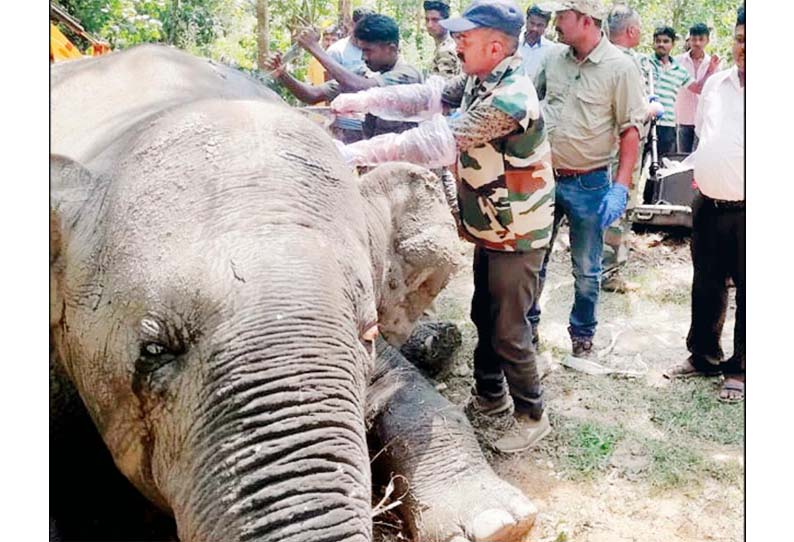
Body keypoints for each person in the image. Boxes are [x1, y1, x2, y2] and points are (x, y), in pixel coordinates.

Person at [331, 0, 556, 453]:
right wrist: (367, 98)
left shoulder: (511, 96)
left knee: (510, 329)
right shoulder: (480, 78)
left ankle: (532, 415)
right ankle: (491, 396)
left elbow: (438, 140)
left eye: (465, 38)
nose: (455, 44)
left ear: (495, 46)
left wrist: (355, 153)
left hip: (518, 231)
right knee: (484, 313)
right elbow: (427, 97)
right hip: (493, 224)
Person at [528, 0, 646, 358]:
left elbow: (630, 130)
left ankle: (582, 333)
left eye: (561, 17)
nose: (554, 24)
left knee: (586, 267)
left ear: (584, 20)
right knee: (533, 260)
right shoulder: (552, 59)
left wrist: (621, 187)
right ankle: (526, 329)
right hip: (543, 178)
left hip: (590, 183)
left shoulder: (620, 68)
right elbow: (533, 106)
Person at [664, 5, 745, 403]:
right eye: (742, 39)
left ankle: (742, 368)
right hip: (708, 202)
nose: (746, 49)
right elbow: (705, 136)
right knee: (707, 283)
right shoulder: (717, 83)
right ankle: (704, 355)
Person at [263, 14, 423, 140]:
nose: (364, 57)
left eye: (368, 51)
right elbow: (312, 95)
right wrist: (283, 74)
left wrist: (315, 48)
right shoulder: (365, 73)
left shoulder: (407, 76)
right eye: (362, 51)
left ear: (391, 48)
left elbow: (360, 87)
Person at [601, 3, 652, 294]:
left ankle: (595, 267)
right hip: (623, 153)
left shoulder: (599, 58)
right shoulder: (627, 62)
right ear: (631, 31)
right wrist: (651, 108)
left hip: (602, 152)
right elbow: (632, 112)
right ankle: (609, 272)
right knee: (619, 210)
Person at [674, 23, 721, 153]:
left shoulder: (713, 63)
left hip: (704, 119)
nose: (697, 43)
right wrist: (710, 70)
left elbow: (715, 91)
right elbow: (698, 88)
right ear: (689, 40)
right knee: (682, 159)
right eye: (694, 39)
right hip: (684, 118)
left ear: (707, 41)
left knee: (701, 158)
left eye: (701, 39)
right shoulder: (678, 62)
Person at [519, 5, 564, 79]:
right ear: (526, 21)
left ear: (546, 26)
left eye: (540, 25)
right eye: (532, 23)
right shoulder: (513, 43)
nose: (534, 29)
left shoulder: (551, 50)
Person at [424, 1, 461, 78]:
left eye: (435, 20)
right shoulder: (444, 46)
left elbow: (444, 87)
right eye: (427, 20)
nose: (429, 25)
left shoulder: (446, 51)